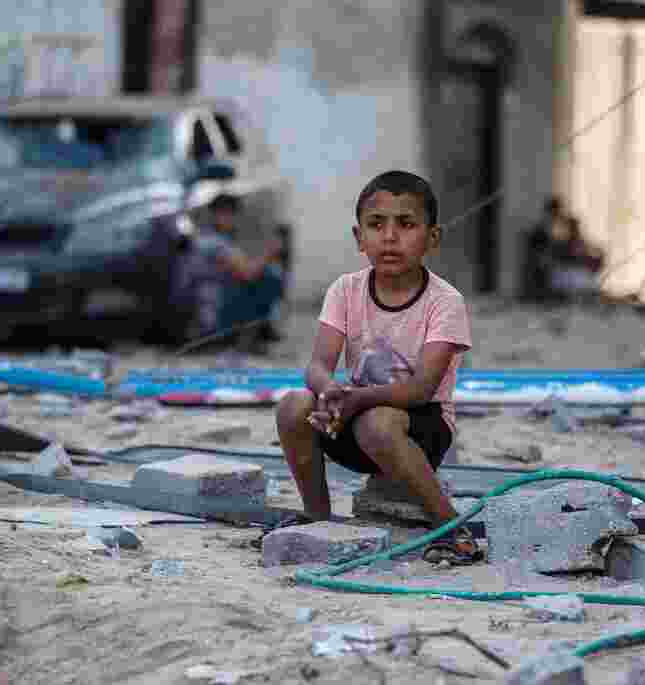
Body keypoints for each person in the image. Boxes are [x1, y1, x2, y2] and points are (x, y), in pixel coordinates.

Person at [257, 170, 483, 565]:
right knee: (295, 404)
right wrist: (329, 389)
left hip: (421, 428)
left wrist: (356, 398)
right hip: (355, 416)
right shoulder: (345, 290)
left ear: (432, 238)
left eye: (407, 224)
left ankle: (449, 526)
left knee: (377, 421)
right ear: (359, 238)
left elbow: (422, 389)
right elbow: (318, 364)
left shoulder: (445, 302)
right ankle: (316, 514)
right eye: (377, 225)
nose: (390, 236)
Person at [183, 191, 287, 345]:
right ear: (214, 215)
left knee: (267, 274)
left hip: (209, 307)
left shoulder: (214, 238)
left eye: (231, 213)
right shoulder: (213, 241)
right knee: (271, 276)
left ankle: (256, 329)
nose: (229, 217)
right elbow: (248, 273)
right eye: (224, 213)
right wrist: (270, 252)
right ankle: (249, 333)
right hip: (211, 313)